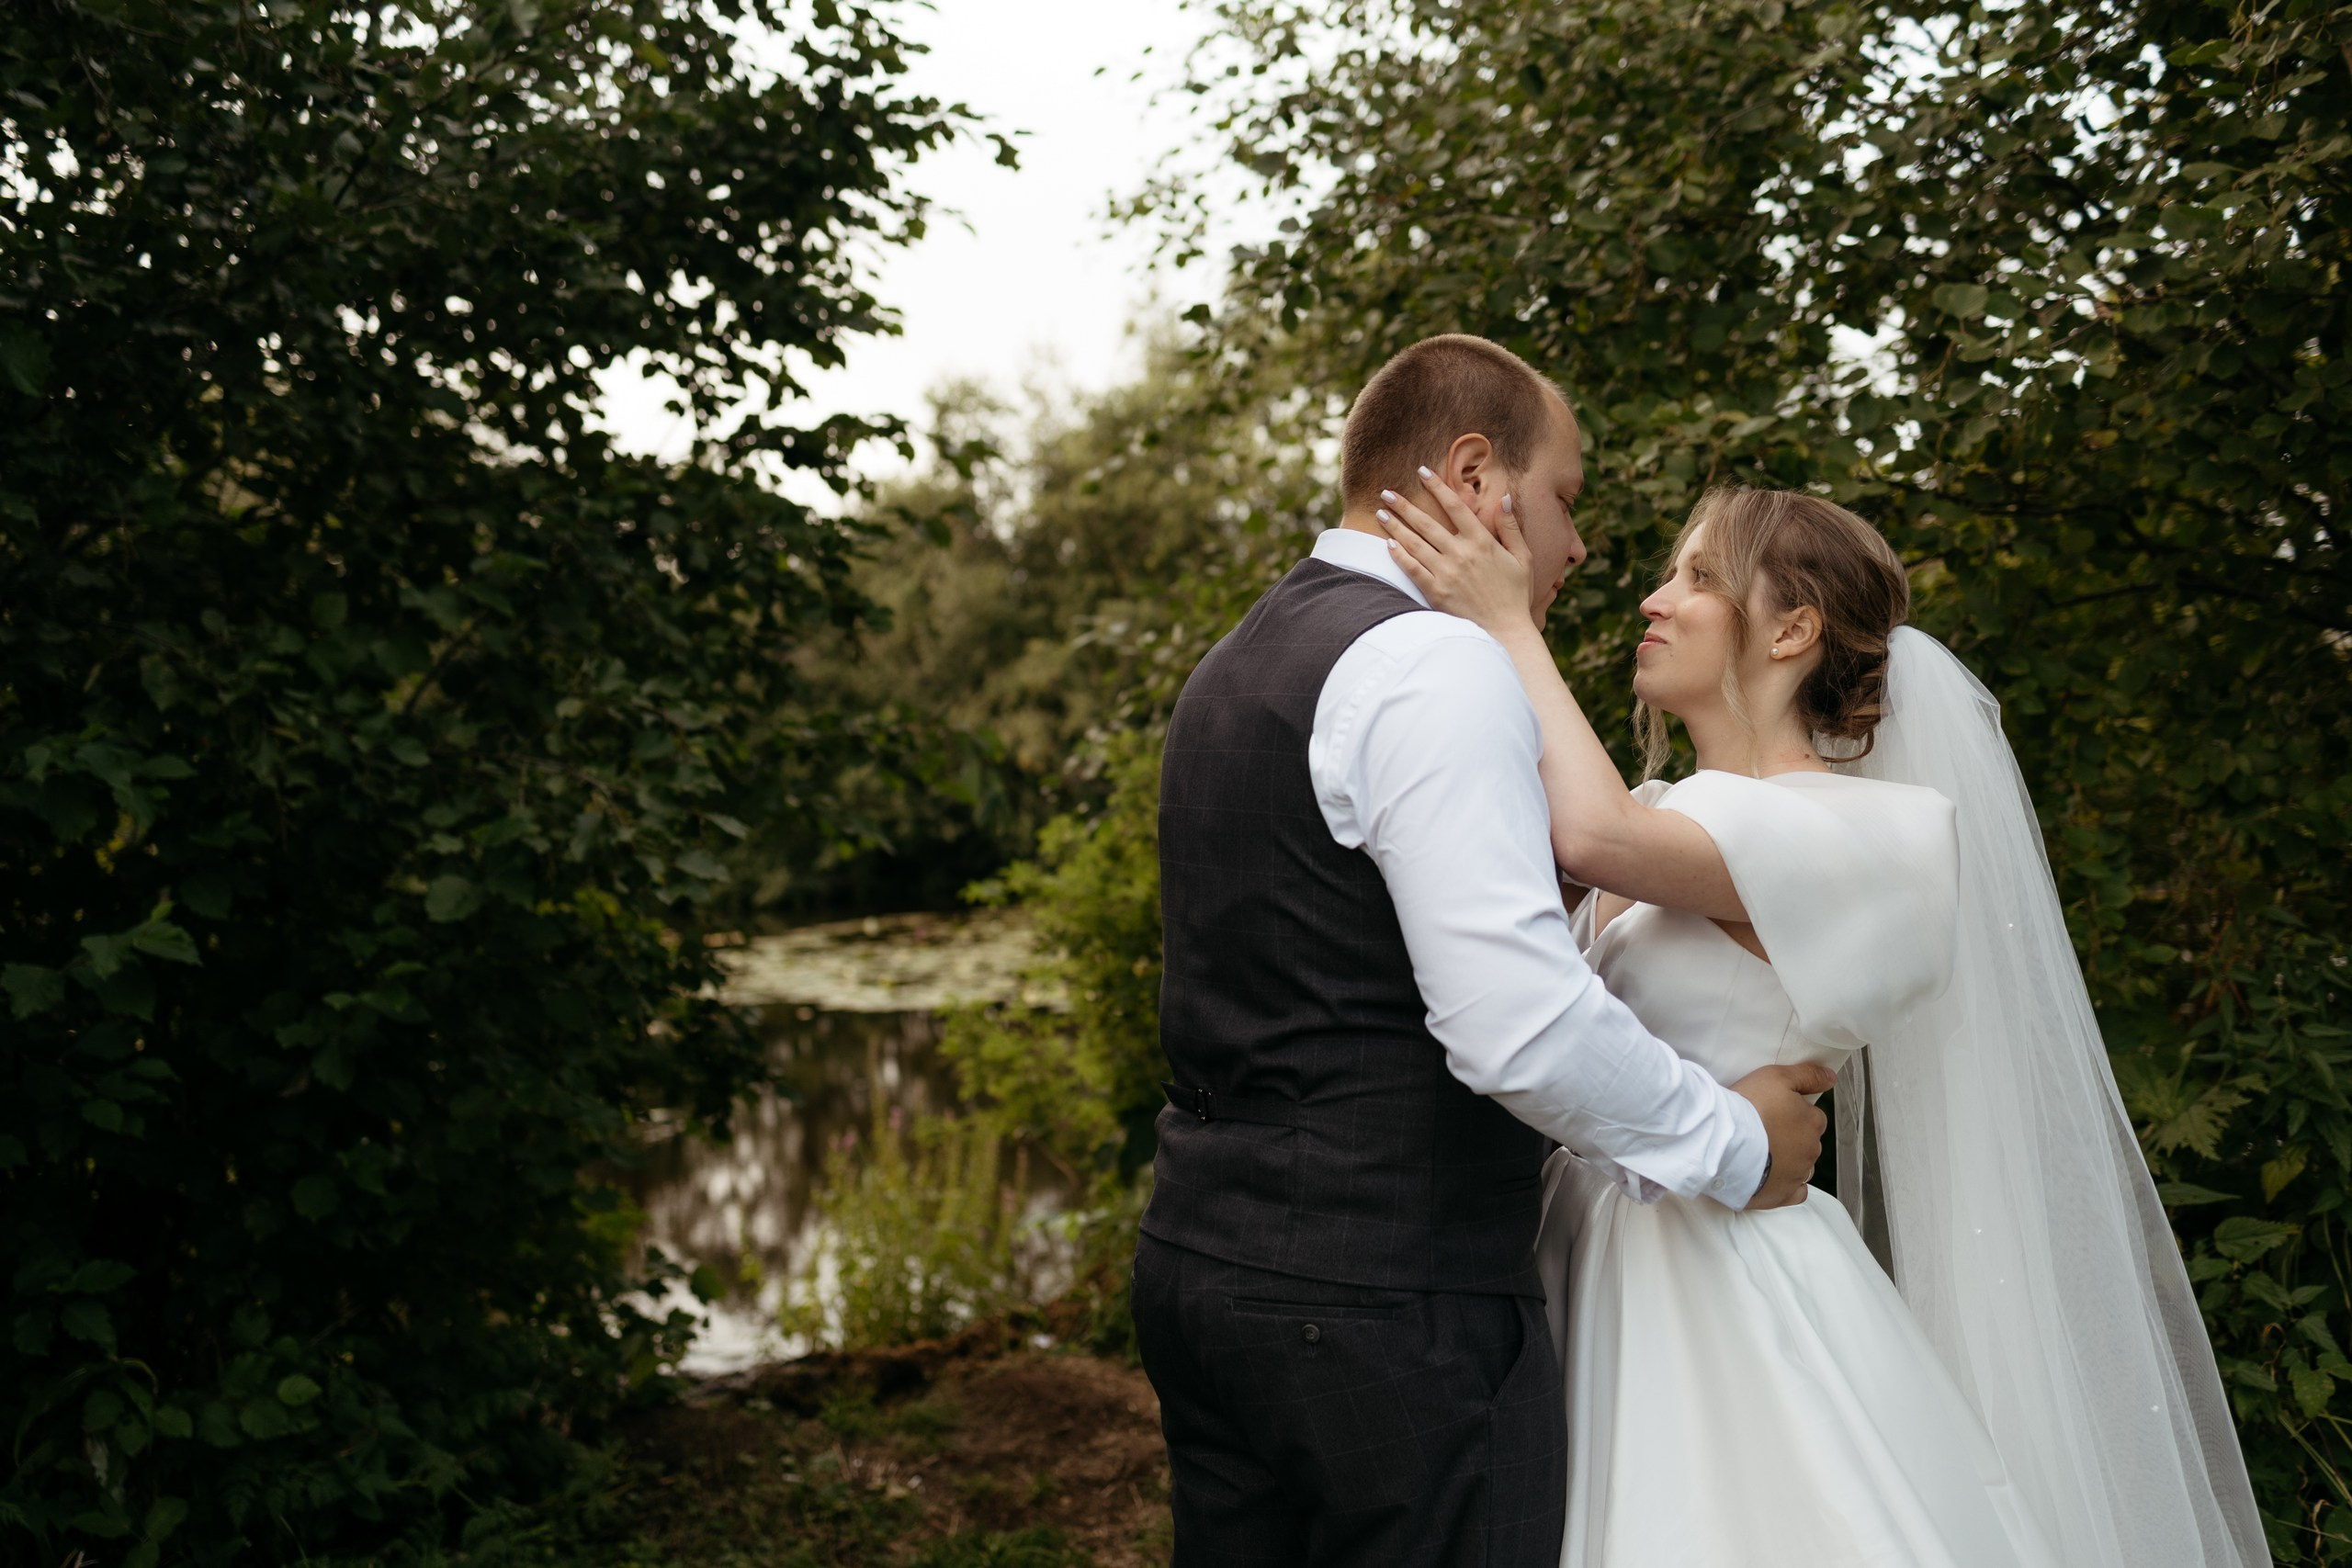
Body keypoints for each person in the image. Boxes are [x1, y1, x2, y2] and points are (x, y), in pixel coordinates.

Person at [1374, 479, 2270, 1568]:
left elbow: (1594, 839)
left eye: (1698, 577)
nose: (1654, 599)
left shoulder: (1874, 836)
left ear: (1792, 628)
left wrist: (1505, 621)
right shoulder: (1660, 812)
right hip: (1581, 1248)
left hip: (1723, 1277)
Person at [1130, 334, 1837, 1566]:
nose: (1577, 548)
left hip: (1201, 1263)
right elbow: (1515, 1020)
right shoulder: (1432, 664)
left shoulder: (1235, 662)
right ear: (1474, 474)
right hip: (1385, 1302)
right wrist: (1736, 1141)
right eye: (1564, 497)